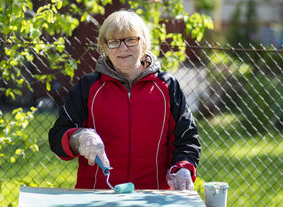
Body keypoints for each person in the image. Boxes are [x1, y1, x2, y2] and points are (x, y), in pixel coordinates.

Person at [49, 10, 201, 190]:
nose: (122, 48)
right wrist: (79, 138)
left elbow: (187, 139)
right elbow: (58, 137)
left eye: (130, 39)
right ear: (104, 47)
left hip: (152, 197)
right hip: (97, 196)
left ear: (144, 43)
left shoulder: (168, 87)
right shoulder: (88, 87)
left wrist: (182, 169)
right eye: (113, 42)